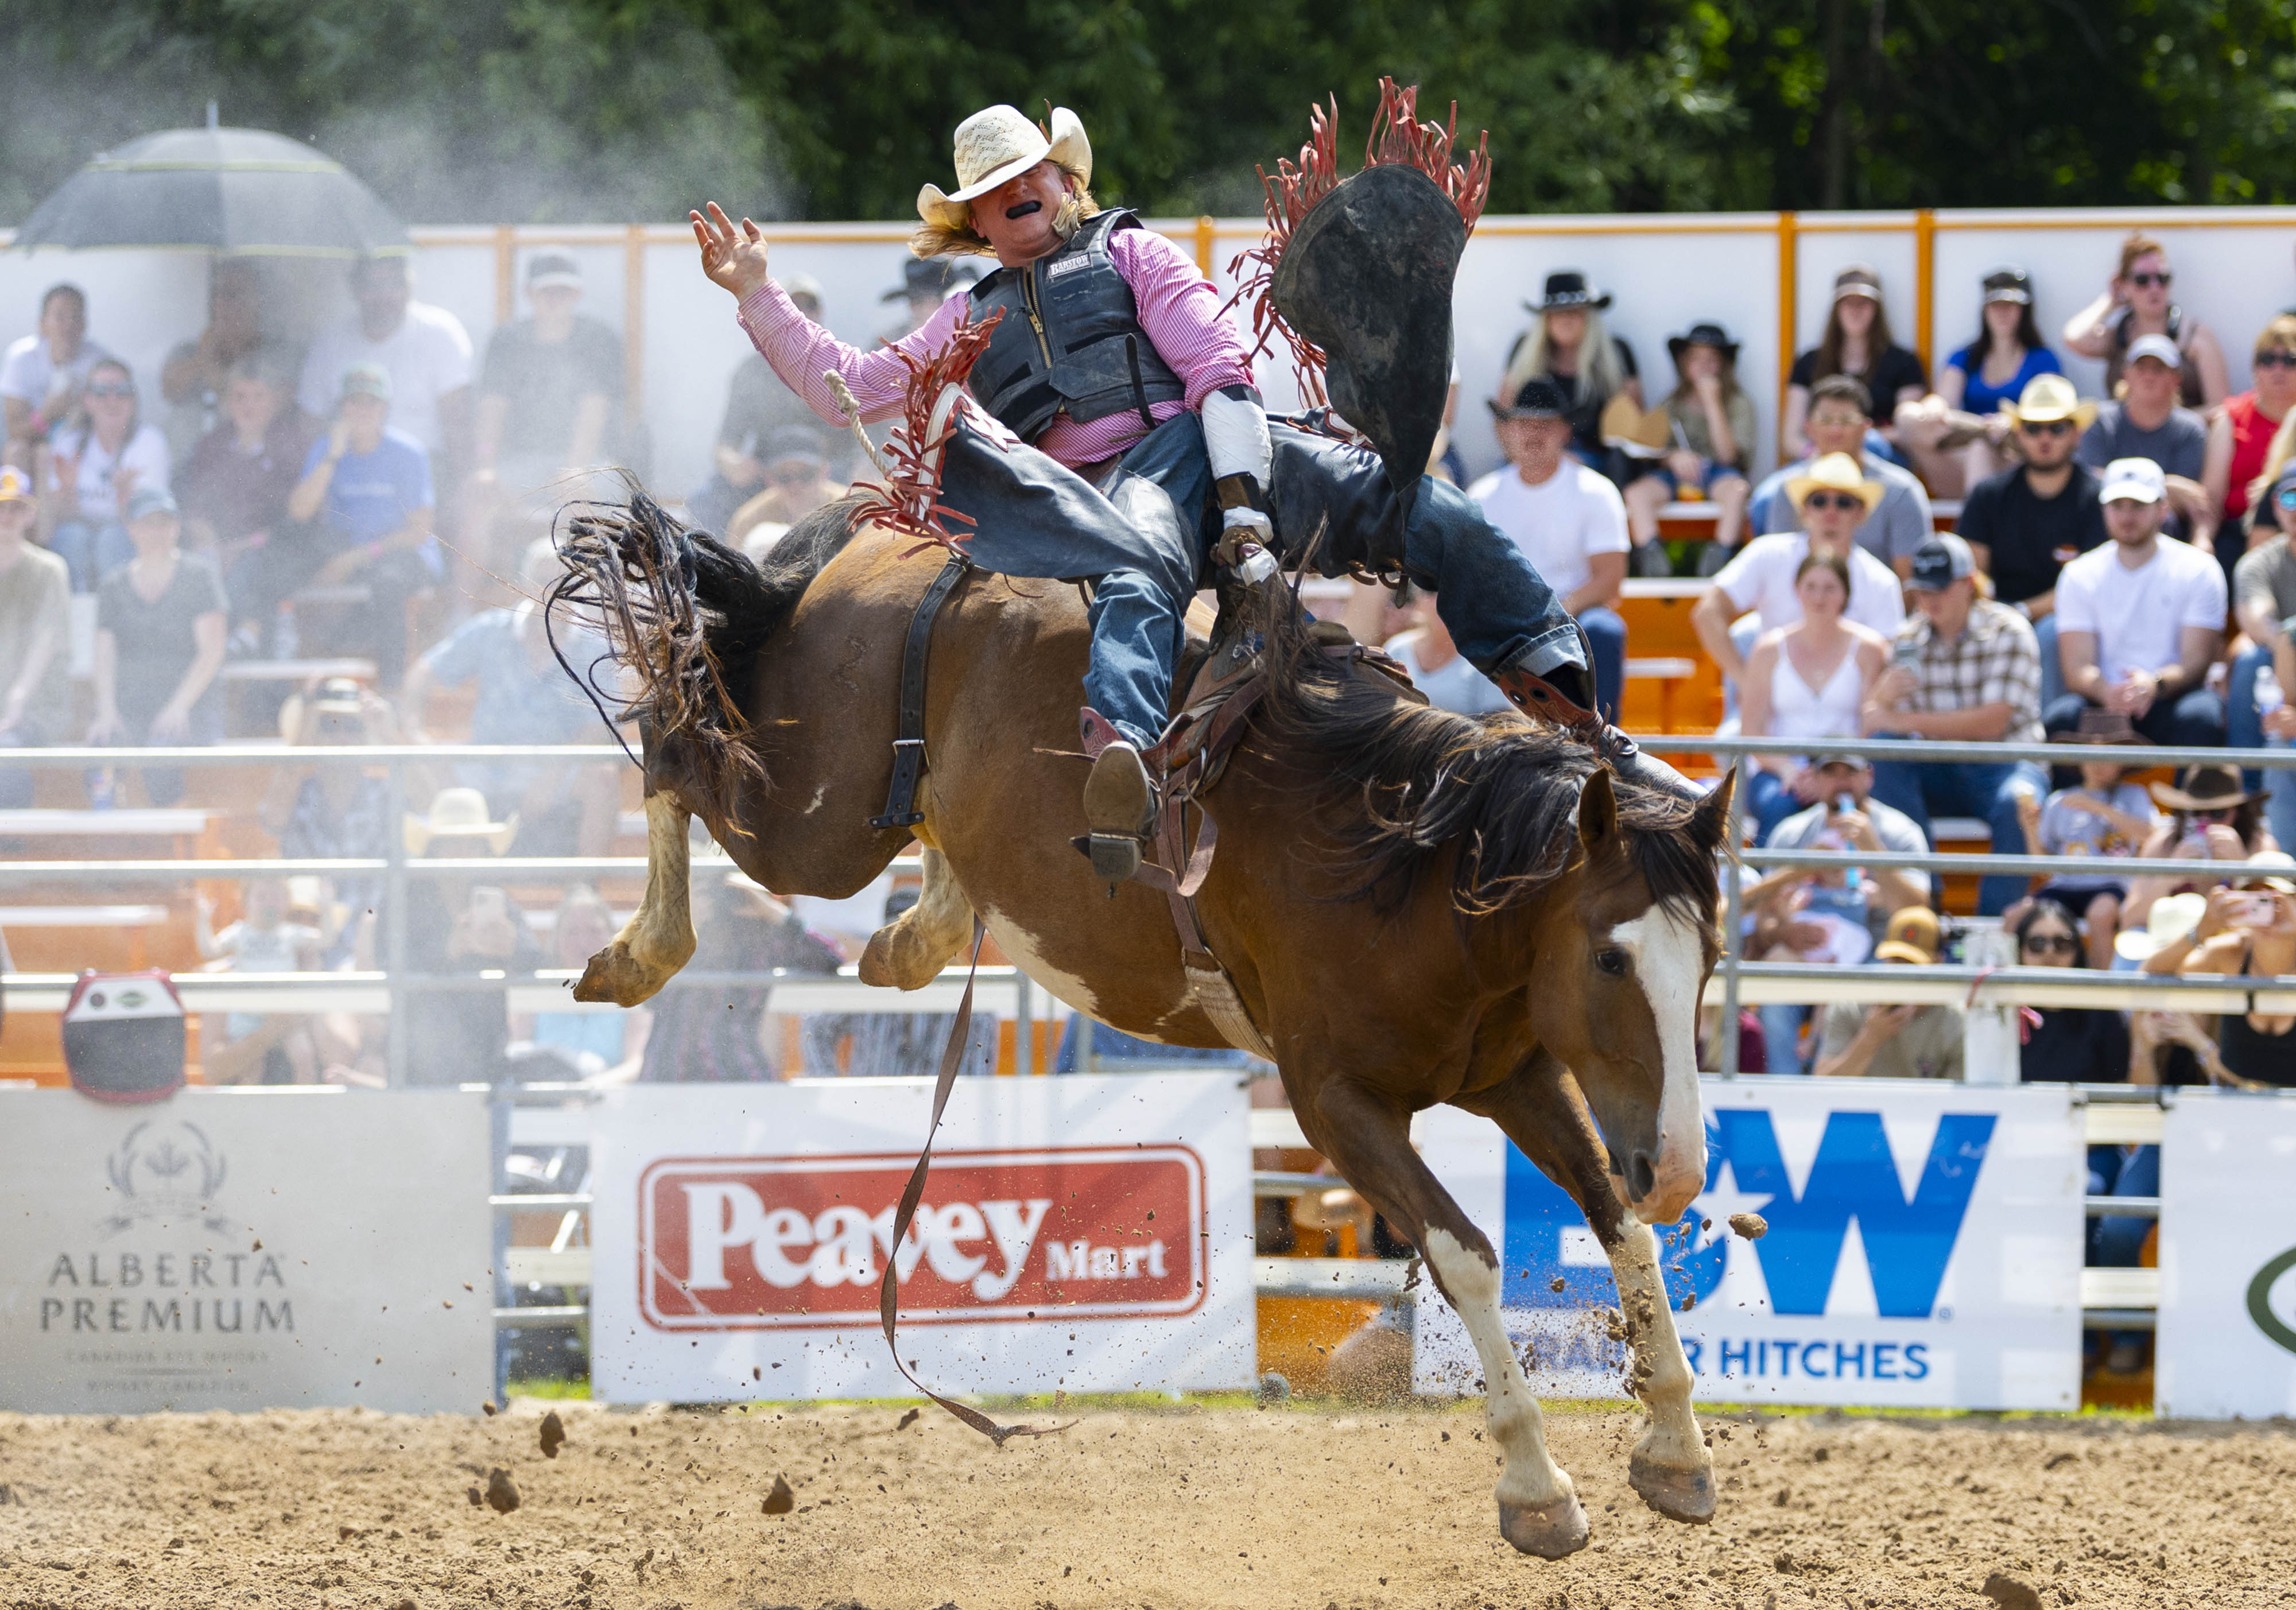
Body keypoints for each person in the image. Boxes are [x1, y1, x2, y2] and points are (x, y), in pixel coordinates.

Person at [691, 100, 1666, 882]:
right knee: (1136, 561)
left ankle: (1582, 722)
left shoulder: (1131, 252)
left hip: (1220, 440)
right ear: (978, 224)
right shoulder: (964, 318)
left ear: (1065, 182)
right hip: (1115, 488)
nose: (1020, 190)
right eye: (996, 189)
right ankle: (1123, 764)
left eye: (1031, 173)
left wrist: (1243, 504)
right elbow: (848, 391)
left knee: (1427, 509)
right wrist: (755, 294)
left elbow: (1217, 367)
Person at [1862, 535, 2047, 915]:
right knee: (1883, 752)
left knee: (2018, 801)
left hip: (2005, 763)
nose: (1930, 599)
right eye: (1923, 589)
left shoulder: (2009, 629)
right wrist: (1881, 698)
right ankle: (1923, 909)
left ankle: (1995, 931)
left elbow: (1993, 723)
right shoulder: (1908, 637)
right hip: (1940, 765)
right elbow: (1875, 722)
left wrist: (1899, 718)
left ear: (1968, 584)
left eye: (1941, 587)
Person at [400, 537, 617, 857]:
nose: (556, 591)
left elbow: (600, 728)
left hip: (554, 770)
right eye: (545, 581)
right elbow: (421, 675)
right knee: (415, 764)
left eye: (566, 581)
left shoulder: (594, 647)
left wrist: (553, 772)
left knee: (603, 777)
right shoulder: (491, 629)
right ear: (524, 585)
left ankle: (583, 888)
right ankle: (446, 886)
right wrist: (414, 732)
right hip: (483, 763)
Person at [1746, 755, 1933, 1071]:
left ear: (1869, 777)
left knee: (1866, 996)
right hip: (1805, 957)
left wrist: (1874, 851)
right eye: (1831, 773)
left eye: (1851, 772)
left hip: (1878, 960)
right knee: (1773, 995)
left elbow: (1918, 911)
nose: (1841, 782)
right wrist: (1784, 932)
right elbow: (1759, 918)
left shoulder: (1900, 832)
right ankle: (1786, 1097)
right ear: (1815, 780)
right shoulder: (1792, 834)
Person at [1691, 452, 1906, 715]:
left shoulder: (1881, 581)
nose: (1831, 511)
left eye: (1844, 502)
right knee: (1733, 745)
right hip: (1768, 715)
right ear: (1804, 509)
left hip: (1849, 721)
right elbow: (1707, 612)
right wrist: (1747, 681)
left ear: (1861, 512)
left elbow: (1885, 665)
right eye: (1819, 500)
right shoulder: (1767, 554)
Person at [1469, 378, 1630, 720]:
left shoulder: (1596, 492)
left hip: (1575, 619)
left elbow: (1610, 582)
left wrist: (1554, 617)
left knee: (1605, 629)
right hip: (1504, 621)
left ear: (1563, 432)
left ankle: (1601, 744)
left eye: (1545, 424)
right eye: (1524, 423)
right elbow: (1472, 578)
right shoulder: (1482, 496)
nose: (1533, 433)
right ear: (1507, 431)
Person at [2045, 457, 2227, 748]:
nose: (2127, 517)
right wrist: (2108, 692)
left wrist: (2154, 685)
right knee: (2062, 719)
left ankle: (2191, 796)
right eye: (2118, 506)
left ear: (2163, 509)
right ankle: (2069, 797)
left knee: (2202, 717)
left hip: (2170, 697)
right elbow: (2076, 666)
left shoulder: (2199, 569)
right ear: (2104, 510)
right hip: (2105, 703)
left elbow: (2197, 660)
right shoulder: (2079, 573)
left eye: (2139, 506)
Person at [280, 362, 441, 688]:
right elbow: (299, 512)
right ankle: (284, 679)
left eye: (372, 402)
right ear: (342, 408)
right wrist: (332, 456)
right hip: (346, 545)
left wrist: (354, 559)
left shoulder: (409, 453)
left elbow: (418, 531)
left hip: (398, 552)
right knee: (286, 559)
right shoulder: (327, 449)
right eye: (355, 401)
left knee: (389, 582)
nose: (363, 410)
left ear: (385, 408)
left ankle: (394, 686)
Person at [1955, 374, 2108, 708]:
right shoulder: (1989, 495)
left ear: (2075, 434)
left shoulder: (2098, 498)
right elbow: (1973, 573)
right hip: (1994, 618)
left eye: (2056, 428)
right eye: (2033, 428)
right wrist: (1999, 614)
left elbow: (2088, 586)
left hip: (2068, 621)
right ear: (2018, 434)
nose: (2044, 438)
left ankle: (2045, 747)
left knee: (2052, 632)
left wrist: (2021, 613)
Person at [468, 252, 627, 570]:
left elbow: (593, 412)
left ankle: (593, 606)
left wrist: (573, 470)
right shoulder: (508, 341)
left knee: (584, 495)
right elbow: (491, 413)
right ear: (529, 293)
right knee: (476, 499)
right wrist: (486, 466)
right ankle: (464, 607)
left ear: (578, 293)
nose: (555, 298)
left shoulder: (598, 339)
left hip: (587, 462)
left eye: (563, 290)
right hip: (520, 464)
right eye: (546, 290)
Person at [84, 488, 228, 808]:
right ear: (132, 530)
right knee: (101, 747)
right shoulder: (113, 585)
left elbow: (212, 652)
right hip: (131, 705)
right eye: (149, 523)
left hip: (191, 707)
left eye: (165, 523)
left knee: (162, 754)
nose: (158, 532)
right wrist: (106, 708)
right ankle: (106, 836)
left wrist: (179, 706)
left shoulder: (199, 576)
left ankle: (172, 849)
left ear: (177, 528)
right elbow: (104, 654)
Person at [398, 787, 545, 1085]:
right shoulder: (405, 903)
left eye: (470, 845)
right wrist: (448, 949)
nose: (461, 855)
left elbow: (535, 956)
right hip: (420, 1065)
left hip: (485, 1061)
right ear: (435, 850)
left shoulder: (497, 901)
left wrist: (511, 945)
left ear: (482, 851)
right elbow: (388, 960)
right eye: (452, 845)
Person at [1737, 551, 1888, 843]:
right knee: (1778, 806)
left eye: (1830, 588)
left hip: (1848, 768)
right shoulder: (1767, 650)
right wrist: (1790, 771)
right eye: (1811, 587)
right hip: (1781, 769)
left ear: (1845, 594)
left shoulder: (1870, 648)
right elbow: (1751, 730)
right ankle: (1769, 884)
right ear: (1797, 591)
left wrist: (1833, 775)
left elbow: (1870, 724)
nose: (1820, 597)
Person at [638, 871, 845, 1082]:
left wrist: (772, 911)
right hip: (669, 1074)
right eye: (715, 893)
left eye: (733, 892)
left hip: (736, 1073)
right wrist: (680, 923)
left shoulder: (762, 939)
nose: (725, 902)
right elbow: (641, 990)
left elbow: (831, 959)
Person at [1895, 266, 2062, 497]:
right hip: (1961, 455)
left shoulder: (2042, 360)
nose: (2002, 313)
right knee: (1908, 415)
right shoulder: (1965, 357)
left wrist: (2008, 422)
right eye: (1996, 306)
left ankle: (1978, 526)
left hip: (2014, 453)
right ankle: (1983, 434)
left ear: (2024, 311)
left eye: (2010, 306)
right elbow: (1944, 402)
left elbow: (2049, 414)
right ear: (1985, 310)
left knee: (1980, 450)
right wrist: (1936, 406)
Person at [2011, 713, 2161, 968]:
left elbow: (2152, 835)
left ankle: (2105, 1001)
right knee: (2017, 916)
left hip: (2111, 883)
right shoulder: (2059, 801)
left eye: (2108, 755)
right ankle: (2016, 1000)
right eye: (2091, 753)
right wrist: (2029, 828)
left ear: (2123, 761)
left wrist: (2098, 807)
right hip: (2064, 885)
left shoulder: (2134, 796)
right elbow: (2043, 867)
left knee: (2100, 916)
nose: (2098, 763)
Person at [688, 273, 835, 534]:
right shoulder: (751, 372)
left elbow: (860, 440)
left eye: (809, 307)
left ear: (820, 314)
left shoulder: (839, 364)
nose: (802, 315)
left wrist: (860, 470)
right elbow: (725, 444)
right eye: (793, 308)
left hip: (821, 475)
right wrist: (734, 464)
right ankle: (715, 571)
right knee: (705, 500)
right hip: (768, 475)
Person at [1748, 375, 1933, 579]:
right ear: (1809, 427)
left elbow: (1912, 584)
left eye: (1847, 420)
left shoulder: (1901, 491)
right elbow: (1779, 571)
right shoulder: (1787, 489)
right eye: (1826, 420)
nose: (1836, 430)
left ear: (1866, 428)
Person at [297, 255, 473, 465]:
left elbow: (459, 422)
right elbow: (308, 424)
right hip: (349, 469)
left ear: (409, 288)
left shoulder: (440, 334)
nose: (384, 295)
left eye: (394, 285)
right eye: (372, 286)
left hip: (425, 468)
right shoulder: (330, 344)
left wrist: (464, 484)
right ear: (355, 290)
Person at [178, 358, 308, 627]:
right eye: (239, 397)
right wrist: (212, 548)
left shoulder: (292, 448)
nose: (248, 406)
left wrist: (236, 549)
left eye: (258, 397)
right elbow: (195, 509)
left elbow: (291, 523)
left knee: (246, 571)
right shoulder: (211, 446)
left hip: (265, 551)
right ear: (227, 402)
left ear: (275, 402)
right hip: (216, 546)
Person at [2076, 333, 2219, 563]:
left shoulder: (2191, 430)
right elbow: (2091, 483)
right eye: (2141, 368)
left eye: (2159, 369)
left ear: (2176, 379)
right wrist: (2167, 484)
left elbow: (2184, 502)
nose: (2149, 376)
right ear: (2126, 375)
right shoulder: (2101, 421)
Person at [1622, 323, 1753, 571]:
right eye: (1696, 359)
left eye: (1711, 359)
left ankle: (1720, 558)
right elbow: (1649, 452)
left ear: (1724, 365)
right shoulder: (1671, 404)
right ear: (1684, 364)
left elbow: (1729, 456)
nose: (1704, 366)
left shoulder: (1738, 403)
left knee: (1737, 492)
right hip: (1675, 477)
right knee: (1636, 494)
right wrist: (1673, 457)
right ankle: (1651, 558)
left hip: (1718, 475)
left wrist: (1712, 403)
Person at [36, 357, 171, 590]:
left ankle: (116, 615)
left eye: (122, 391)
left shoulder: (150, 443)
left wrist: (124, 499)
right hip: (78, 533)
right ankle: (77, 612)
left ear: (133, 400)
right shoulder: (68, 443)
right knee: (72, 536)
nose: (112, 400)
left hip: (124, 536)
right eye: (101, 392)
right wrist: (67, 492)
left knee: (111, 538)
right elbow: (53, 525)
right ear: (87, 401)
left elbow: (152, 527)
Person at [1492, 271, 1640, 479]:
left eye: (1575, 312)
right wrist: (1521, 455)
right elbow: (1504, 416)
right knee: (1501, 480)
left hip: (1592, 456)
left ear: (1588, 316)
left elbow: (1632, 422)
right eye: (1558, 313)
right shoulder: (1524, 350)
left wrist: (1563, 460)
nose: (1566, 320)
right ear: (1546, 318)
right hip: (1530, 451)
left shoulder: (1616, 353)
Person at [2061, 232, 2228, 409]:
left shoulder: (2195, 336)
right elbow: (2073, 337)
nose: (2154, 288)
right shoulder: (2117, 337)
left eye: (2162, 279)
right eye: (2142, 280)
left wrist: (2172, 425)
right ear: (2124, 284)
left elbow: (2221, 408)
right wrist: (2110, 301)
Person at [1783, 265, 1927, 461]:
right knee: (1771, 491)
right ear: (1836, 309)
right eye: (1848, 303)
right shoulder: (1809, 362)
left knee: (1872, 443)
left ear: (1877, 309)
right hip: (1819, 459)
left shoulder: (1904, 362)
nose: (1855, 311)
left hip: (1879, 461)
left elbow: (1908, 431)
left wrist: (1853, 437)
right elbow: (1791, 436)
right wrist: (1821, 455)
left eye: (1863, 303)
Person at [193, 876, 323, 1086]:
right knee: (250, 1067)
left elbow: (326, 939)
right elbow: (209, 949)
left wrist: (326, 907)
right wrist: (202, 919)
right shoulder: (240, 933)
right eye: (261, 897)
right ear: (246, 903)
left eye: (277, 897)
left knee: (303, 1056)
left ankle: (303, 1109)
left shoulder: (290, 934)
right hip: (248, 1012)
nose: (269, 903)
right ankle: (249, 1116)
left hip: (285, 1010)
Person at [159, 261, 292, 464]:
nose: (226, 303)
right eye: (219, 295)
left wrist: (219, 374)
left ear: (258, 302)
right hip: (187, 466)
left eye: (236, 295)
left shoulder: (275, 354)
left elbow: (282, 404)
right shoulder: (189, 351)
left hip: (251, 467)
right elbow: (170, 391)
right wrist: (203, 357)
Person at [1814, 907, 1964, 1080]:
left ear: (1938, 963)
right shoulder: (1849, 1006)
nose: (1902, 972)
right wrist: (1870, 1039)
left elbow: (1960, 1101)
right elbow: (1823, 1086)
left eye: (1911, 964)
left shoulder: (1955, 1020)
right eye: (1895, 960)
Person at [2232, 462, 2296, 844]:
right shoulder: (2260, 562)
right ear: (2275, 504)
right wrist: (2290, 646)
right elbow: (2257, 621)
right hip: (2286, 682)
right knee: (2251, 661)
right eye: (2291, 496)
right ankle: (2249, 792)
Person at [0, 467, 68, 809]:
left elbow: (48, 637)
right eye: (1, 507)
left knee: (7, 755)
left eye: (16, 507)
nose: (7, 515)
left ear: (30, 513)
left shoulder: (49, 570)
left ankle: (11, 850)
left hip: (36, 707)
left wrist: (18, 697)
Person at [2009, 899, 2132, 1084]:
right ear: (2020, 950)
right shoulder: (2002, 1012)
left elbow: (2120, 1088)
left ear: (2077, 950)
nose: (2049, 952)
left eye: (2062, 943)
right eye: (2037, 943)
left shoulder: (2103, 1013)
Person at [1, 284, 110, 468]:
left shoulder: (99, 361)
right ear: (42, 324)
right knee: (17, 451)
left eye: (76, 317)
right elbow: (15, 431)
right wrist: (48, 414)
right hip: (32, 443)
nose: (69, 325)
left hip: (81, 443)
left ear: (84, 325)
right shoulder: (21, 357)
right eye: (60, 317)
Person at [2208, 315, 2296, 534]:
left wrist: (2272, 493)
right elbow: (2212, 498)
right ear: (2255, 368)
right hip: (2238, 531)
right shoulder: (2232, 417)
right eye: (2267, 360)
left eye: (2290, 360)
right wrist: (2203, 539)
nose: (2278, 369)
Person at [1380, 588, 1508, 716]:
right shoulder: (1396, 648)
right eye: (1432, 592)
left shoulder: (1484, 656)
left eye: (1453, 594)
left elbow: (1501, 723)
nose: (1442, 601)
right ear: (1418, 600)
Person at [724, 426, 848, 552]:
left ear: (824, 472)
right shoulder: (748, 523)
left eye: (806, 475)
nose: (796, 485)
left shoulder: (850, 510)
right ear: (770, 479)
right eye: (785, 477)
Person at [875, 257, 980, 346]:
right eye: (916, 301)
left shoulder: (968, 337)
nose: (914, 307)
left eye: (922, 301)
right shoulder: (891, 340)